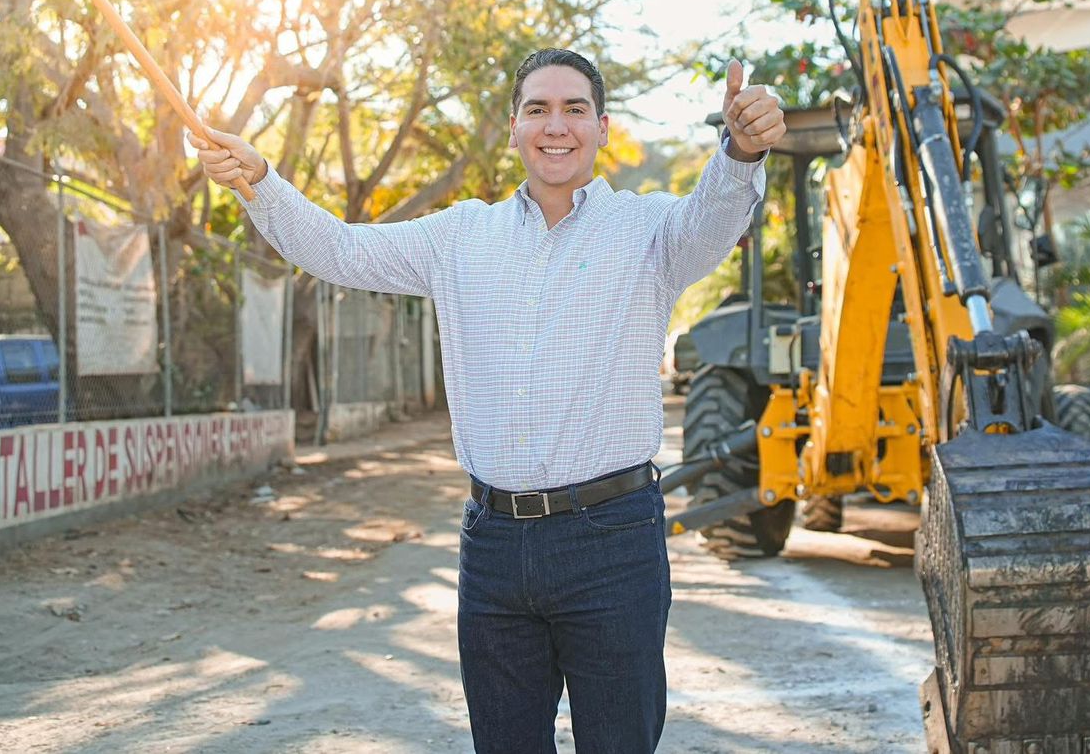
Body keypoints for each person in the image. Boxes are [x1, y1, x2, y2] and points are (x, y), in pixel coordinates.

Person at [190, 48, 784, 753]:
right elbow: (342, 251)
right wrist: (261, 180)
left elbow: (715, 215)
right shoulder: (458, 238)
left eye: (573, 109)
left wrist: (741, 149)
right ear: (512, 128)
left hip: (614, 542)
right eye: (537, 109)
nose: (554, 125)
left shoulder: (651, 233)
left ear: (601, 127)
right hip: (495, 545)